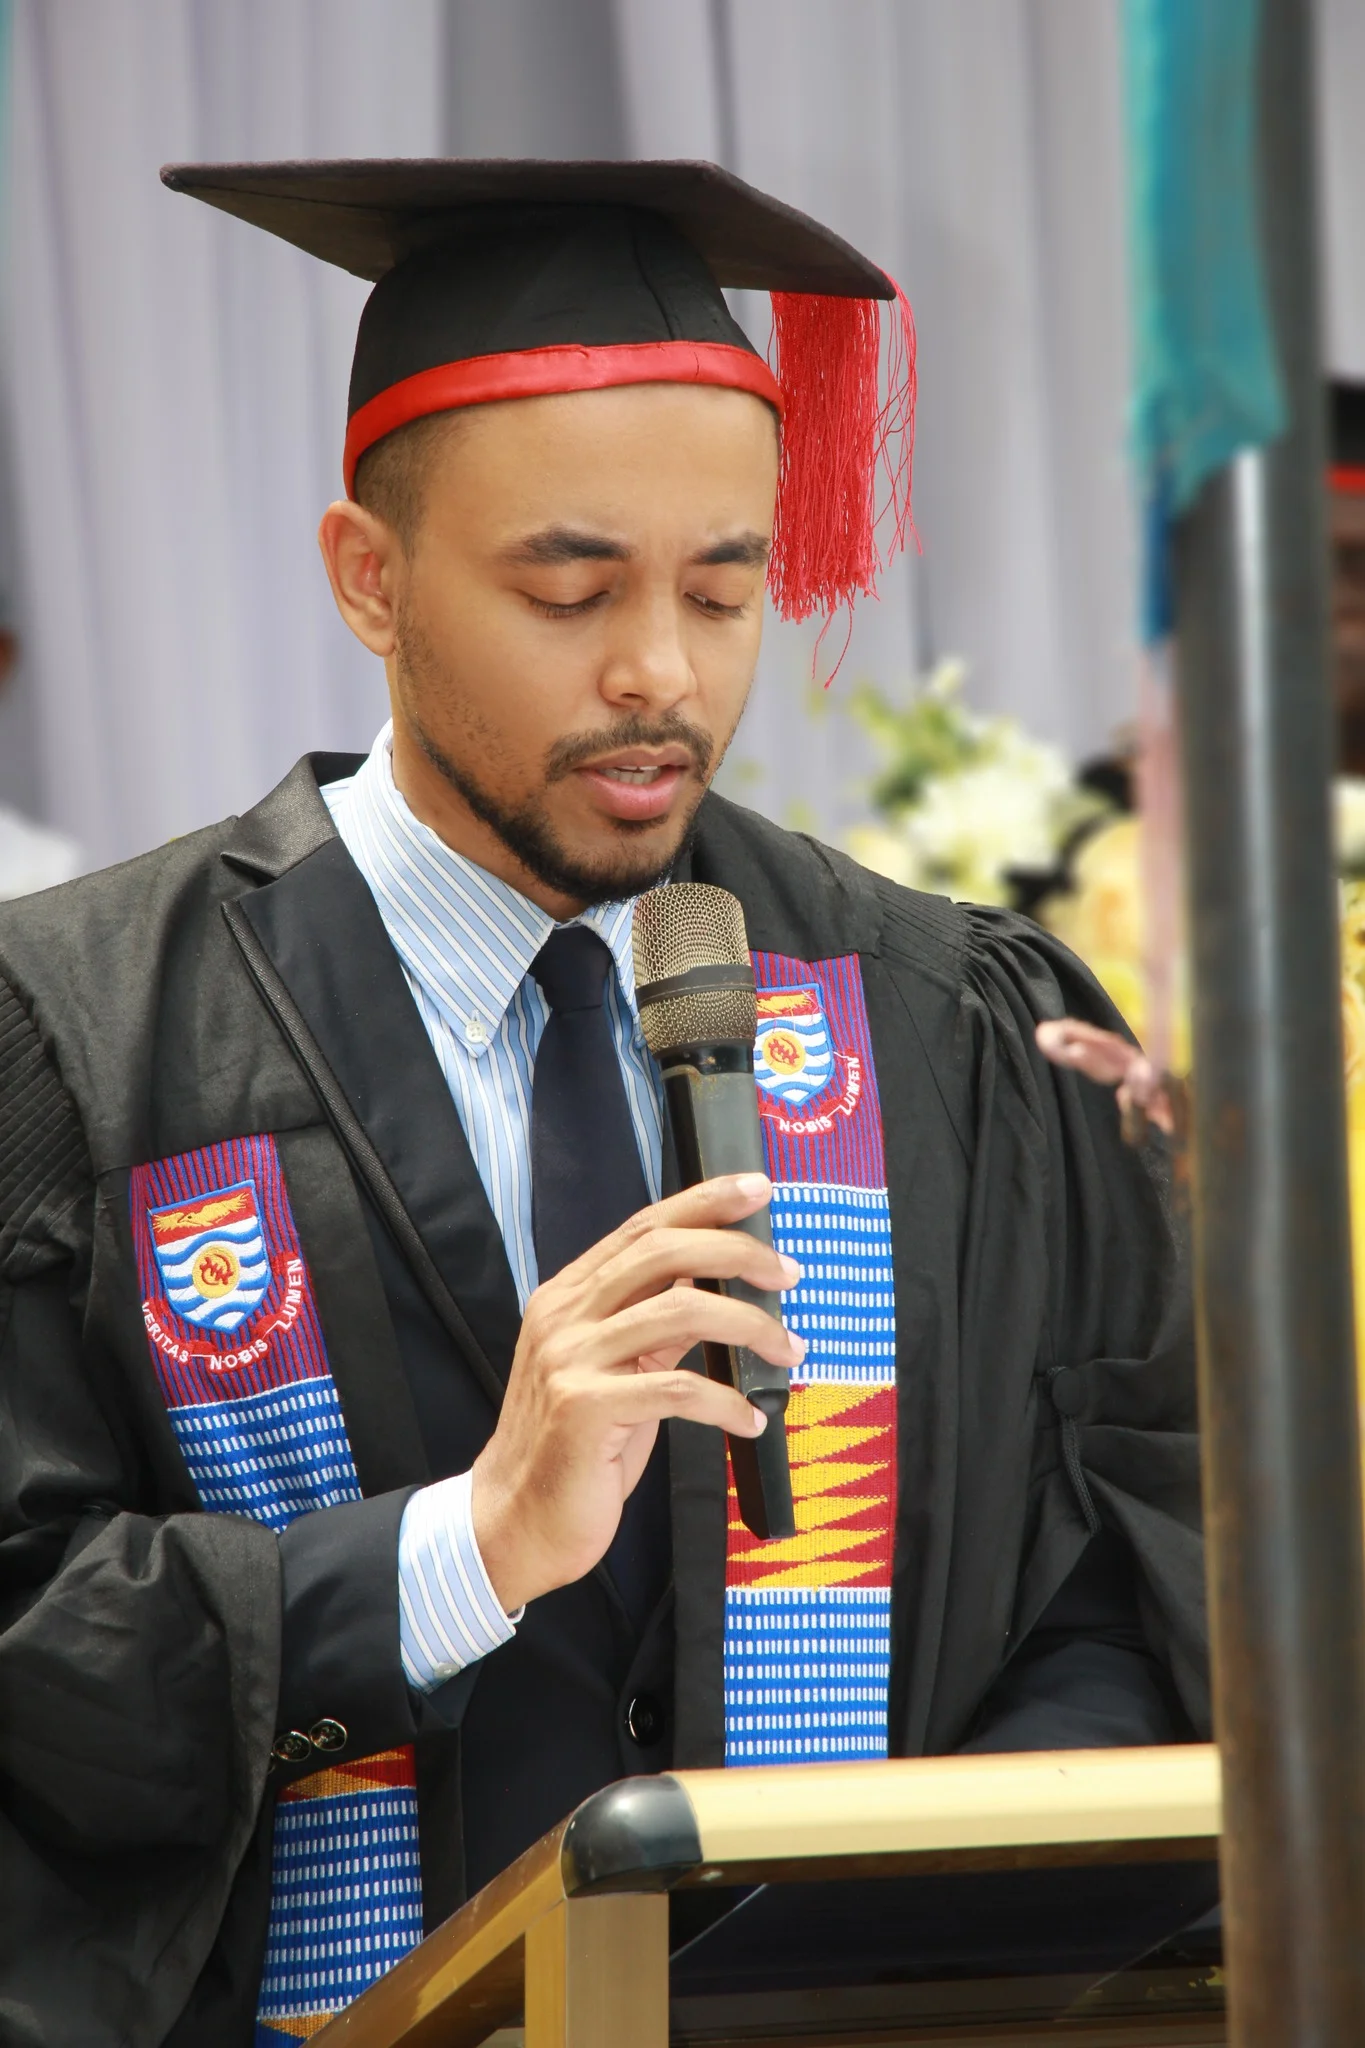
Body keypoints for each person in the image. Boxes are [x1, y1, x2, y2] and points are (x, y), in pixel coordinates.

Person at [0, 160, 1206, 2048]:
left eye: (724, 590)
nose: (662, 672)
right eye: (570, 588)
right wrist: (461, 1548)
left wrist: (907, 1964)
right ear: (368, 577)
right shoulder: (81, 1036)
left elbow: (1112, 1593)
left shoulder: (935, 1021)